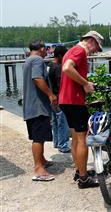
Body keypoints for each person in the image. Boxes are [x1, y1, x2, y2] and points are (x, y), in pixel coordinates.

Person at [59, 30, 104, 189]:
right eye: (96, 48)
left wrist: (85, 82)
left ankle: (79, 170)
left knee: (75, 137)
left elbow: (70, 71)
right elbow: (67, 68)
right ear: (91, 40)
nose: (95, 52)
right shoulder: (80, 51)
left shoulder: (70, 50)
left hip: (65, 100)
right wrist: (85, 84)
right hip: (74, 101)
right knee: (83, 138)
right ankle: (84, 179)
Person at [23, 40, 58, 182]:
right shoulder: (37, 60)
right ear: (42, 49)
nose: (47, 52)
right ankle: (38, 169)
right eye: (47, 50)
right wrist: (51, 94)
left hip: (30, 106)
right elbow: (37, 78)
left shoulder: (28, 60)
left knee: (40, 136)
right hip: (38, 107)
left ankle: (42, 161)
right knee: (38, 138)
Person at [48, 46, 70, 153]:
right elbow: (59, 83)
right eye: (65, 55)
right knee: (63, 121)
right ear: (60, 55)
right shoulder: (58, 67)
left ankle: (56, 142)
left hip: (52, 98)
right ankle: (63, 145)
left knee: (55, 121)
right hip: (59, 98)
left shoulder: (50, 65)